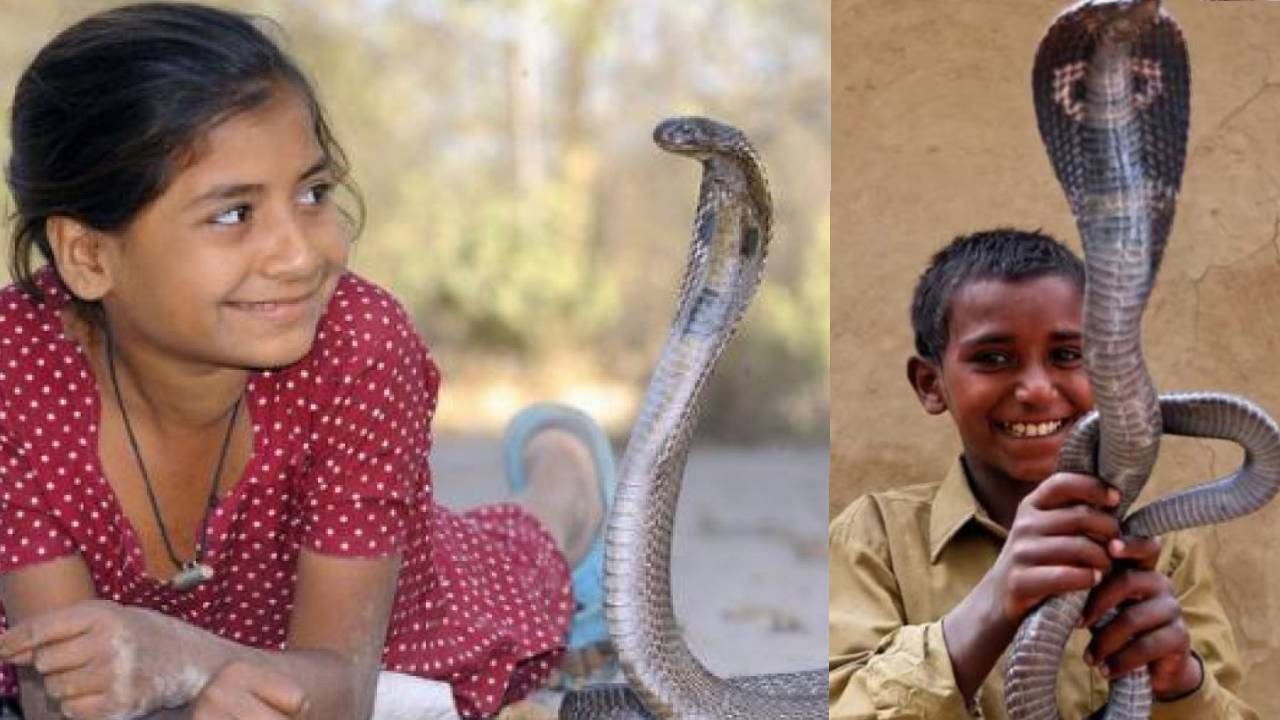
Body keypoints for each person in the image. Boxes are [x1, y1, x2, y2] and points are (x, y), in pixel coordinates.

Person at [0, 4, 615, 719]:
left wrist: (185, 661)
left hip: (378, 620)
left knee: (519, 560)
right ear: (87, 255)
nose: (299, 255)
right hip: (153, 654)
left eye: (313, 194)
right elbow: (57, 697)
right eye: (234, 213)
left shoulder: (356, 342)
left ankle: (568, 480)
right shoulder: (14, 369)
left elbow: (342, 688)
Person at [828, 229, 1258, 719]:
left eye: (1068, 355)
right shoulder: (875, 540)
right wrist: (992, 605)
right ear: (931, 384)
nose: (1036, 389)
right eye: (993, 359)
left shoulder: (1165, 554)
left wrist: (1181, 684)